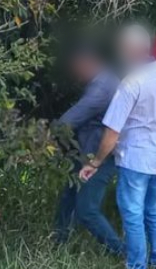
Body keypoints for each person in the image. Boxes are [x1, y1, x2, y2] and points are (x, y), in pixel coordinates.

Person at [81, 24, 156, 269]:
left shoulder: (131, 83)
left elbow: (112, 132)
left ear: (130, 49)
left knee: (133, 216)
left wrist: (95, 162)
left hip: (136, 161)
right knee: (155, 212)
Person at [52, 46, 125, 256]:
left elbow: (70, 120)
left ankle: (121, 253)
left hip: (100, 156)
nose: (76, 75)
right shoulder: (103, 80)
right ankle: (59, 240)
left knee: (86, 210)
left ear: (88, 64)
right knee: (69, 195)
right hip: (87, 153)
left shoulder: (102, 87)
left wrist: (43, 139)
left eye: (77, 69)